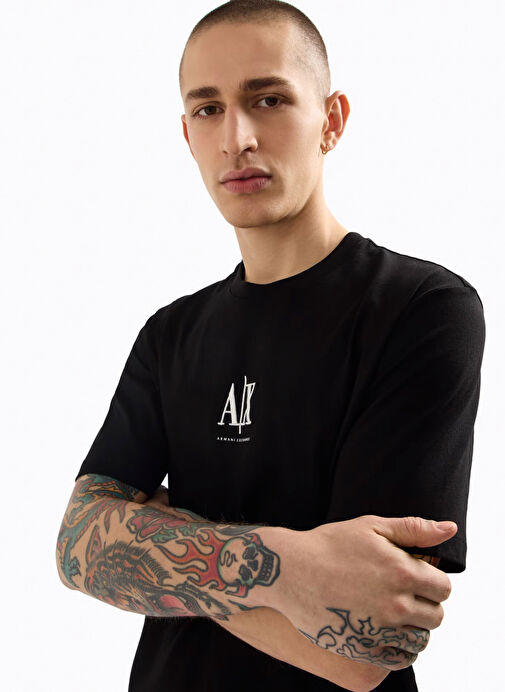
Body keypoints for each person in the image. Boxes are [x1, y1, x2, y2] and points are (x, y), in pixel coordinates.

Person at [56, 1, 486, 690]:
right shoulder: (170, 334)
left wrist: (157, 538)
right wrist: (293, 570)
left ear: (332, 120)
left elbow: (361, 651)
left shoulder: (422, 309)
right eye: (208, 109)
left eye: (268, 99)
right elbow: (78, 548)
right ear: (188, 135)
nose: (237, 138)